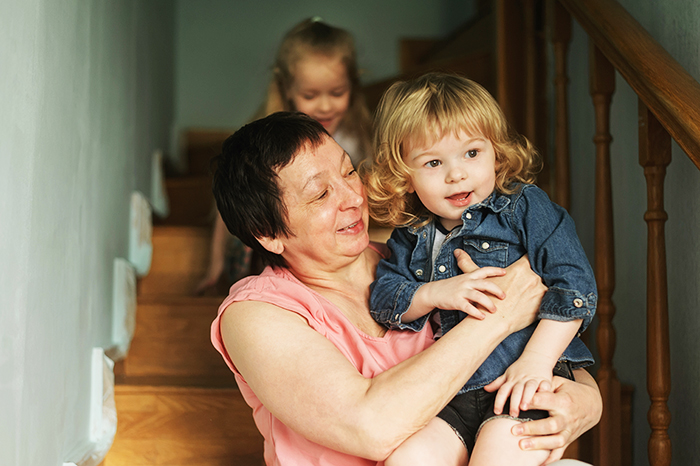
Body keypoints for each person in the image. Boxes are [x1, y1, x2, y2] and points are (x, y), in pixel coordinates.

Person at [209, 111, 602, 465]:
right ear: (268, 233)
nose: (352, 198)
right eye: (321, 193)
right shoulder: (255, 314)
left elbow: (532, 339)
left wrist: (586, 400)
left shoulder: (418, 260)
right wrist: (497, 316)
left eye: (348, 172)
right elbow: (370, 428)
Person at [365, 73, 597, 466]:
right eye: (434, 162)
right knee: (408, 457)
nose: (456, 174)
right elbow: (385, 299)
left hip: (525, 379)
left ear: (497, 153)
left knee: (498, 455)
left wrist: (537, 361)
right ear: (404, 176)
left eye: (472, 153)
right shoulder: (411, 234)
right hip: (452, 393)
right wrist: (434, 293)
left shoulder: (525, 207)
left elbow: (574, 285)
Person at [196, 17, 373, 293]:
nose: (325, 106)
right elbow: (227, 209)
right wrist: (215, 267)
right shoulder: (265, 143)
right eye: (311, 95)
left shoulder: (356, 135)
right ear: (287, 89)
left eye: (337, 92)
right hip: (270, 251)